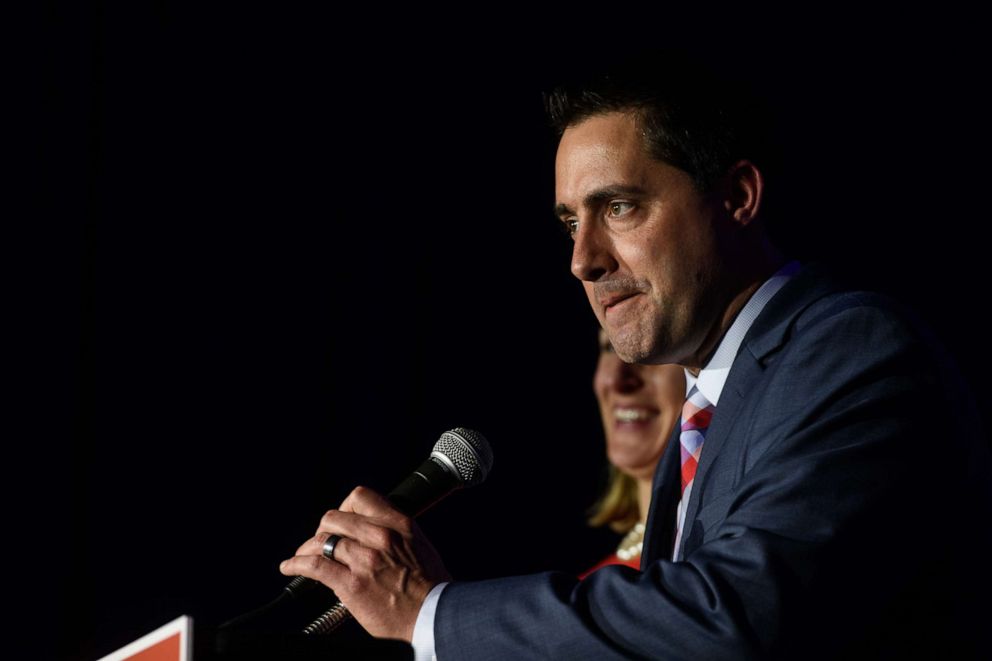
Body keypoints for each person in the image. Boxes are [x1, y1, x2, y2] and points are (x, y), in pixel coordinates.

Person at [279, 52, 992, 658]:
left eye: (617, 207)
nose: (582, 260)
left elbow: (736, 615)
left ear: (738, 196)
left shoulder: (852, 349)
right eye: (569, 222)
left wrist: (431, 612)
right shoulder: (707, 404)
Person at [582, 329, 684, 578]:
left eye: (651, 351)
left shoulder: (714, 566)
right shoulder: (587, 590)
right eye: (609, 348)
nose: (617, 380)